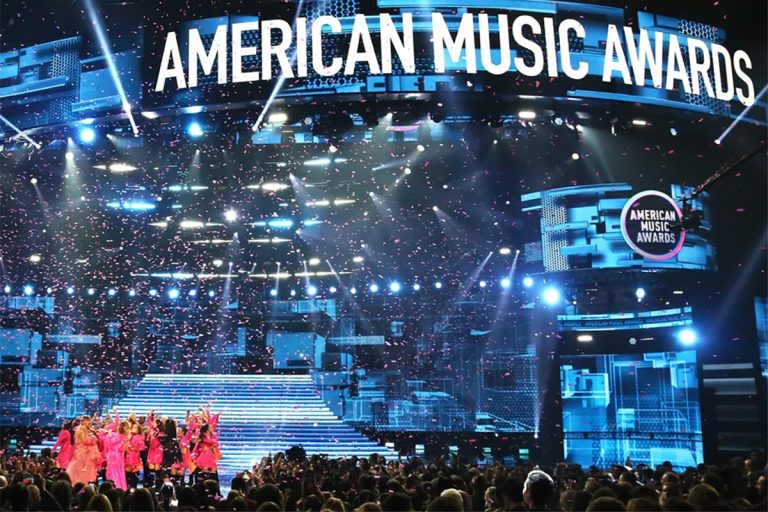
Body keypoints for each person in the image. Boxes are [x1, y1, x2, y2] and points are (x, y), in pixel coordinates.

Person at [66, 416, 102, 485]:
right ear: (83, 422)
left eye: (89, 421)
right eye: (87, 421)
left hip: (88, 453)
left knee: (87, 469)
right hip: (83, 453)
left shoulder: (88, 429)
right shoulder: (80, 430)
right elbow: (86, 441)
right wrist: (93, 438)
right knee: (81, 469)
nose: (89, 422)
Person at [103, 420, 129, 490]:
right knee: (119, 473)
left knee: (111, 472)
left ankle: (110, 488)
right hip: (118, 457)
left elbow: (106, 445)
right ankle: (119, 488)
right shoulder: (125, 438)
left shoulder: (111, 435)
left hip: (110, 456)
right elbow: (123, 449)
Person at [125, 422, 146, 488]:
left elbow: (142, 448)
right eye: (133, 427)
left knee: (134, 474)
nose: (134, 429)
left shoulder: (140, 437)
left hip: (135, 456)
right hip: (127, 456)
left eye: (135, 427)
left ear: (138, 429)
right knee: (127, 473)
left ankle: (133, 487)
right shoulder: (128, 435)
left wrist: (134, 448)